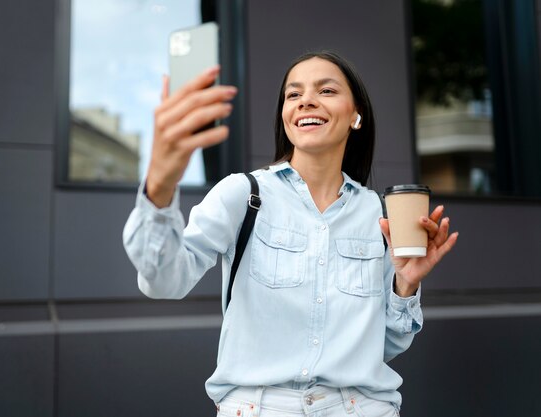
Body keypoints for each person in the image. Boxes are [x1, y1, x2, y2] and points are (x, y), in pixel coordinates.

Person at [124, 51, 458, 417]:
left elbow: (387, 345)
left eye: (326, 90)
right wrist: (159, 184)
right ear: (284, 116)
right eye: (293, 94)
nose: (306, 101)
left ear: (356, 116)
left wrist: (404, 286)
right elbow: (163, 282)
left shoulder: (379, 213)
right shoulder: (244, 194)